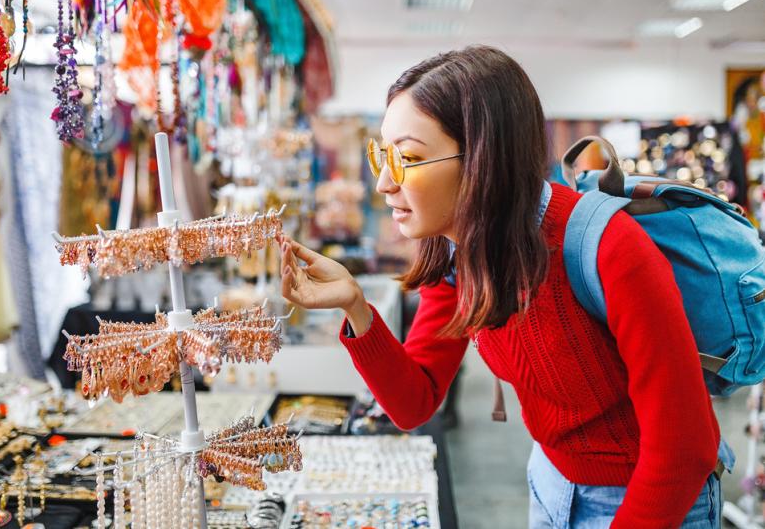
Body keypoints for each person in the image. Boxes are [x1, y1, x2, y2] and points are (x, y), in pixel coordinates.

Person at [278, 45, 731, 528]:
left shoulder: (608, 249)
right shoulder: (458, 251)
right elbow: (415, 401)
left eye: (407, 157)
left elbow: (684, 449)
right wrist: (355, 306)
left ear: (481, 160)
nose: (385, 183)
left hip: (655, 501)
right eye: (382, 155)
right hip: (550, 484)